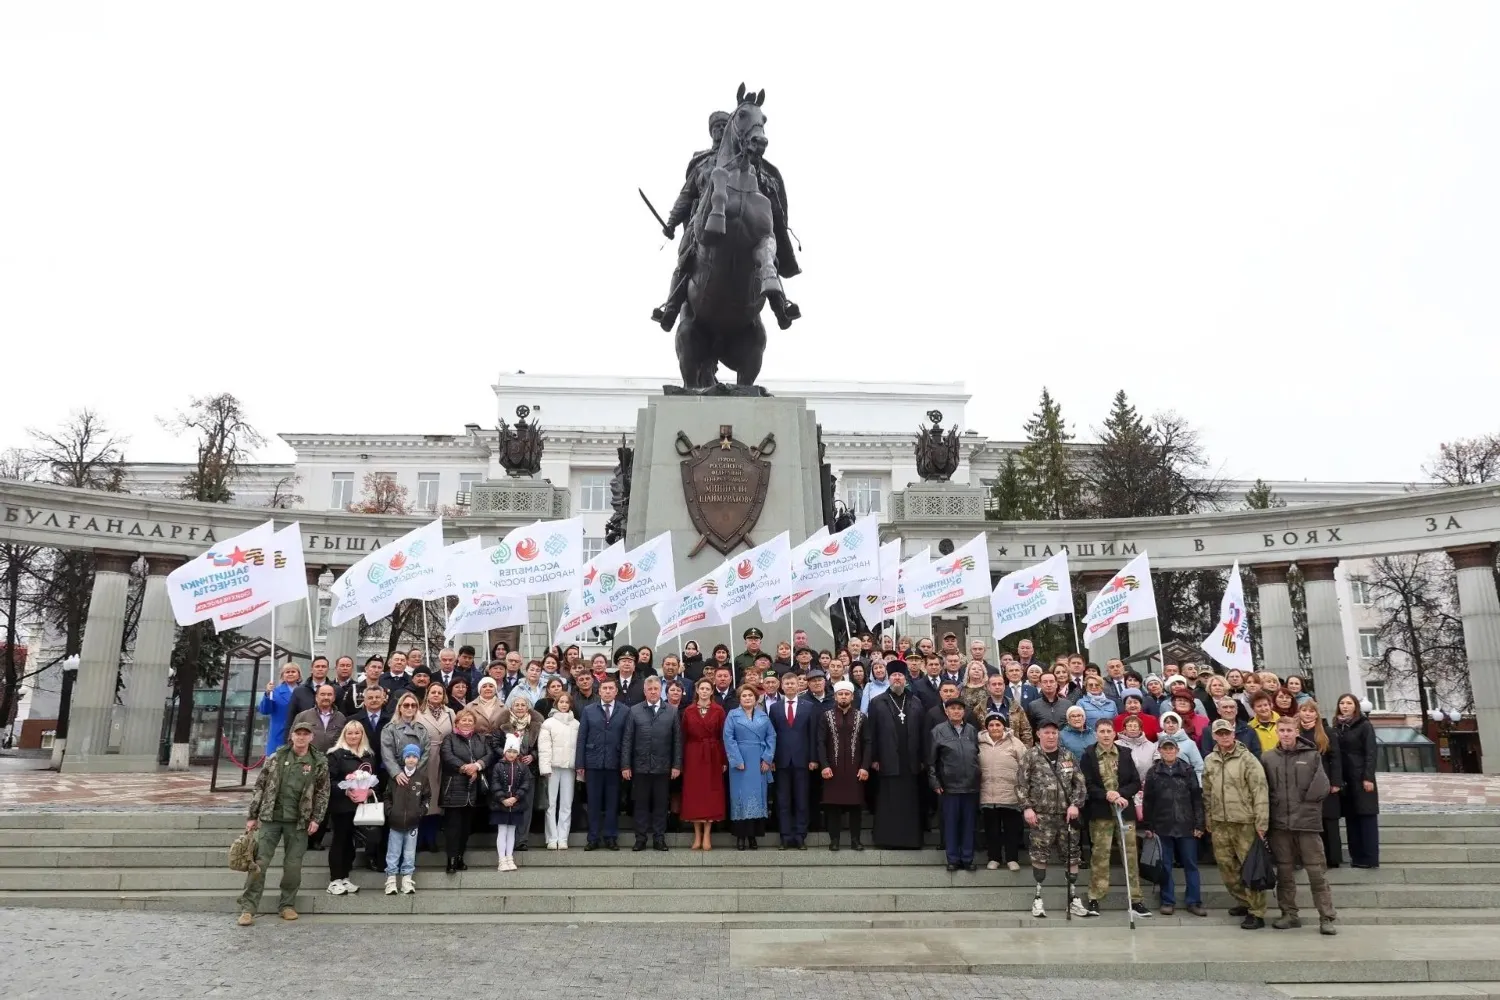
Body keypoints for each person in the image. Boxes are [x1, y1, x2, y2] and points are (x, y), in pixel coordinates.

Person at [235, 719, 330, 926]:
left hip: (299, 822)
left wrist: (317, 819)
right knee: (259, 863)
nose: (302, 737)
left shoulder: (318, 762)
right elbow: (260, 786)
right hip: (271, 818)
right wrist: (252, 815)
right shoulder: (277, 757)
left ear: (311, 737)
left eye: (306, 734)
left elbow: (323, 793)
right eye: (298, 733)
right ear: (292, 736)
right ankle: (248, 907)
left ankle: (287, 905)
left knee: (293, 866)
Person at [1264, 717, 1338, 934]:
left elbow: (1322, 786)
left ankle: (1326, 917)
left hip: (1307, 824)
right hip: (1280, 825)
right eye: (1282, 730)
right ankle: (1289, 913)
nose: (1285, 734)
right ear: (1277, 732)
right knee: (1285, 873)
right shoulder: (1268, 758)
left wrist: (1306, 807)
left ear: (1297, 731)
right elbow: (1264, 790)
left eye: (1289, 730)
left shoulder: (1312, 755)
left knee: (1317, 873)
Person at [1015, 719, 1088, 919]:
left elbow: (1079, 784)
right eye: (1047, 732)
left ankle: (1073, 898)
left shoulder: (1068, 756)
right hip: (1041, 816)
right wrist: (1027, 808)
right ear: (1039, 734)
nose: (1051, 736)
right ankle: (1038, 898)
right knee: (1040, 855)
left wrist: (1075, 804)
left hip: (1066, 816)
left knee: (1072, 855)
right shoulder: (1030, 756)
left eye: (1054, 733)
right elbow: (1021, 785)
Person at [1202, 719, 1270, 929]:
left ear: (1234, 734)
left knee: (1249, 868)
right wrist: (1209, 817)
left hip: (1244, 821)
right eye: (1219, 734)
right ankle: (1243, 902)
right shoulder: (1210, 760)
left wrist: (1262, 821)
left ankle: (1257, 911)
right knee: (1227, 868)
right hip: (1220, 822)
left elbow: (1260, 790)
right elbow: (1206, 792)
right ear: (1214, 736)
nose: (1224, 737)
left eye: (1227, 733)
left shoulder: (1247, 759)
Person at [1080, 719, 1147, 918]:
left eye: (1109, 731)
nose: (1106, 735)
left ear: (1115, 733)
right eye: (1102, 731)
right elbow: (1087, 784)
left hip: (1124, 812)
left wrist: (1120, 794)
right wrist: (1105, 794)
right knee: (1100, 856)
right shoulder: (1089, 755)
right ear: (1096, 733)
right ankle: (1094, 897)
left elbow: (1135, 782)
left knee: (1131, 856)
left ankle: (1136, 900)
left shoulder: (1125, 754)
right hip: (1101, 813)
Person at [1141, 736, 1205, 916]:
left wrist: (1199, 823)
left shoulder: (1188, 770)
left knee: (1191, 865)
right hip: (1163, 826)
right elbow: (1148, 801)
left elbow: (1196, 799)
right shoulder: (1153, 772)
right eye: (1165, 749)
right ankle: (1167, 900)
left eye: (1171, 749)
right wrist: (1149, 825)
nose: (1169, 752)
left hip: (1187, 825)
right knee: (1165, 866)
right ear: (1160, 751)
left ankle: (1194, 901)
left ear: (1177, 750)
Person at [622, 674, 682, 851]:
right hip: (640, 767)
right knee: (640, 804)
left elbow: (677, 741)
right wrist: (625, 765)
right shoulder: (634, 711)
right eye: (650, 689)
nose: (653, 692)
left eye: (656, 689)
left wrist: (677, 765)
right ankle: (640, 839)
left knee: (661, 805)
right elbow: (627, 740)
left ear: (661, 690)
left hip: (663, 767)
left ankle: (659, 838)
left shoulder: (671, 711)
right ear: (644, 691)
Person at [867, 668, 926, 850]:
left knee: (909, 801)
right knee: (889, 801)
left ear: (905, 679)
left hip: (910, 760)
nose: (897, 678)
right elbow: (871, 732)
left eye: (900, 675)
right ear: (889, 678)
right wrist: (874, 757)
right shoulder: (877, 702)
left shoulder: (915, 702)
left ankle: (910, 840)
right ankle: (887, 839)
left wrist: (922, 758)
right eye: (894, 675)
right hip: (887, 758)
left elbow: (922, 732)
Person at [817, 680, 871, 851]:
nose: (843, 696)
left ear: (852, 696)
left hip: (856, 769)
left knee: (855, 806)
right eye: (840, 694)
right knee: (833, 806)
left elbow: (868, 743)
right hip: (832, 769)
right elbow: (820, 743)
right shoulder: (826, 716)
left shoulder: (861, 717)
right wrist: (824, 765)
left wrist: (865, 767)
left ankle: (856, 840)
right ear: (835, 696)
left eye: (846, 694)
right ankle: (834, 841)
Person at [929, 698, 981, 872]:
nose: (956, 711)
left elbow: (978, 755)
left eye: (959, 709)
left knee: (969, 825)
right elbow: (931, 760)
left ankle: (967, 858)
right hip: (949, 786)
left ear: (964, 712)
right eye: (953, 708)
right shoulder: (938, 731)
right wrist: (934, 781)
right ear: (946, 711)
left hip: (971, 786)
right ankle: (952, 859)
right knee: (951, 824)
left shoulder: (972, 730)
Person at [325, 721, 374, 896]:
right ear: (344, 735)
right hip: (341, 806)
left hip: (360, 807)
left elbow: (374, 779)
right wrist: (345, 790)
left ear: (362, 735)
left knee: (351, 843)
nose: (353, 737)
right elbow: (328, 782)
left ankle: (345, 875)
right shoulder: (336, 755)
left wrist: (369, 790)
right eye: (350, 733)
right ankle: (334, 879)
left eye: (357, 733)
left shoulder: (368, 755)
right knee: (340, 840)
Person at [723, 684, 775, 850]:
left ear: (756, 698)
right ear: (740, 698)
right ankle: (740, 837)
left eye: (750, 696)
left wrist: (767, 759)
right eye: (744, 696)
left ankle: (753, 836)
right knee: (740, 798)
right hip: (740, 762)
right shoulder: (732, 715)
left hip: (758, 761)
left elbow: (771, 737)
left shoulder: (763, 716)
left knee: (757, 798)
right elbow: (728, 738)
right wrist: (737, 759)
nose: (747, 698)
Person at [768, 670, 816, 849]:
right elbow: (771, 735)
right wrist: (771, 758)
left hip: (803, 761)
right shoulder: (775, 708)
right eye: (786, 684)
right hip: (781, 762)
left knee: (802, 800)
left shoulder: (808, 706)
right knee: (783, 800)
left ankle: (800, 835)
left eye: (792, 683)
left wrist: (813, 758)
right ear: (782, 686)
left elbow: (812, 734)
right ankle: (785, 836)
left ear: (798, 685)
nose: (789, 686)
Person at [577, 678, 626, 851]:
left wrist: (625, 764)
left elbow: (627, 739)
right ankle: (593, 838)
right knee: (594, 803)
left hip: (615, 763)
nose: (607, 691)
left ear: (616, 691)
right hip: (593, 763)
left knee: (612, 803)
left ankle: (611, 837)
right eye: (604, 688)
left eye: (610, 688)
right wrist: (580, 763)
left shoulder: (624, 710)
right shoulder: (588, 710)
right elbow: (582, 737)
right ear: (599, 691)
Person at [439, 710, 490, 874]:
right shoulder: (449, 738)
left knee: (466, 828)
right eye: (464, 720)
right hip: (454, 787)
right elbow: (447, 756)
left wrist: (477, 766)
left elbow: (489, 755)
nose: (467, 723)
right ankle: (451, 859)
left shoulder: (480, 738)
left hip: (473, 790)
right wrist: (465, 768)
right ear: (457, 723)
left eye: (470, 720)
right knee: (453, 827)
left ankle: (460, 857)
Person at [1295, 697, 1344, 869]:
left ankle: (1333, 858)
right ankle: (1309, 858)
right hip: (1302, 784)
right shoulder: (1295, 732)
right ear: (1299, 712)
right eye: (1304, 710)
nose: (1307, 714)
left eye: (1311, 711)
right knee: (1308, 823)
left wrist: (1336, 782)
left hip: (1325, 782)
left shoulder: (1327, 732)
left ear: (1316, 714)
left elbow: (1335, 758)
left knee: (1329, 821)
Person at [1334, 694, 1380, 869]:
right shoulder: (1337, 726)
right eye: (1342, 703)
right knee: (1351, 818)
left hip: (1361, 777)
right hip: (1345, 779)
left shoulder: (1364, 725)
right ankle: (1357, 857)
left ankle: (1370, 858)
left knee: (1366, 817)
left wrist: (1368, 777)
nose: (1345, 706)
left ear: (1355, 707)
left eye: (1349, 703)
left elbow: (1371, 752)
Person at [681, 677, 728, 849]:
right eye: (702, 688)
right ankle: (697, 836)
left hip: (713, 754)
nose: (705, 691)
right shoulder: (689, 710)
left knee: (710, 794)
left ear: (712, 691)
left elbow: (724, 737)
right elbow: (683, 736)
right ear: (697, 690)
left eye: (708, 689)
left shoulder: (718, 710)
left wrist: (723, 759)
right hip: (693, 754)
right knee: (694, 794)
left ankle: (707, 835)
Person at [978, 712, 1025, 870]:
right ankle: (994, 858)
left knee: (1011, 828)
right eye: (991, 725)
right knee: (992, 829)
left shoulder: (1015, 742)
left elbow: (1025, 765)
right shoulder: (980, 742)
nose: (995, 727)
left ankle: (1012, 858)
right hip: (987, 793)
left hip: (1010, 793)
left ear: (1004, 726)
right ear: (986, 727)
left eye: (998, 724)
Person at [495, 694, 541, 850]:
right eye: (517, 705)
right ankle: (509, 841)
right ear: (511, 708)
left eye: (523, 705)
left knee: (526, 805)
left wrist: (533, 756)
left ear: (528, 708)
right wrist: (507, 754)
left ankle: (522, 840)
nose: (520, 707)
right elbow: (495, 744)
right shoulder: (503, 725)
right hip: (507, 771)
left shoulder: (536, 726)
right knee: (509, 803)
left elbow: (542, 746)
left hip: (529, 771)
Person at [383, 743, 429, 895]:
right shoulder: (395, 776)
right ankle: (391, 880)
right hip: (395, 822)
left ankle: (407, 879)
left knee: (409, 853)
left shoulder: (422, 778)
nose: (411, 760)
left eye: (414, 757)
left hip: (413, 823)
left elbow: (426, 797)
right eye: (408, 756)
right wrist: (390, 811)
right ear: (403, 758)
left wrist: (420, 812)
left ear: (418, 759)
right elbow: (387, 795)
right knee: (393, 852)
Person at [538, 691, 579, 851]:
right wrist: (545, 768)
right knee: (551, 804)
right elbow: (544, 748)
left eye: (566, 702)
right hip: (552, 768)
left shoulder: (576, 724)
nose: (563, 704)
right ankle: (551, 837)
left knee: (566, 804)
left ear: (570, 705)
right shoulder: (548, 723)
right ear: (556, 704)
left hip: (569, 768)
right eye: (561, 702)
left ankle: (563, 838)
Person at [488, 733, 532, 872]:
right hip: (501, 804)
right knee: (502, 830)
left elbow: (525, 784)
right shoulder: (498, 766)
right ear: (505, 752)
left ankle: (509, 857)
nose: (512, 754)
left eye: (514, 752)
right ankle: (502, 859)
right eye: (509, 751)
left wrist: (516, 797)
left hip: (516, 804)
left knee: (512, 831)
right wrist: (503, 799)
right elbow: (494, 784)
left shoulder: (523, 767)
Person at [257, 663, 302, 755]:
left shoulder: (305, 691)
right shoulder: (275, 692)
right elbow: (265, 710)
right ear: (282, 676)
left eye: (293, 671)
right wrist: (268, 694)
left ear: (299, 675)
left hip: (301, 733)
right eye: (287, 672)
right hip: (280, 734)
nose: (290, 674)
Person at [1199, 696, 1261, 761]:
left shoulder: (1248, 729)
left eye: (1232, 707)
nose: (1229, 710)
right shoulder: (1209, 731)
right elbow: (1207, 755)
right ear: (1218, 711)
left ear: (1236, 710)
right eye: (1225, 707)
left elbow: (1256, 754)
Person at [292, 683, 345, 754]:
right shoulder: (303, 716)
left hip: (334, 760)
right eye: (322, 694)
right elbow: (291, 739)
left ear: (334, 698)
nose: (326, 697)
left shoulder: (341, 718)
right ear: (316, 697)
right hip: (309, 760)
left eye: (329, 694)